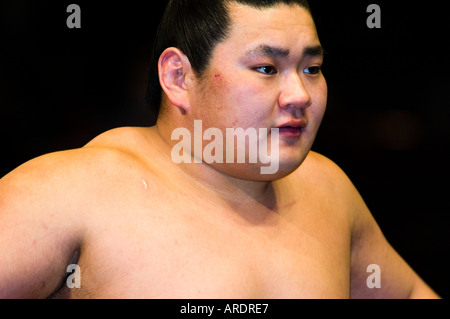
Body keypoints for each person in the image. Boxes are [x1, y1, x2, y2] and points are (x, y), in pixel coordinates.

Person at [0, 0, 440, 299]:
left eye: (312, 68)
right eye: (267, 68)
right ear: (178, 77)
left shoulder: (327, 188)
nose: (300, 94)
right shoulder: (71, 190)